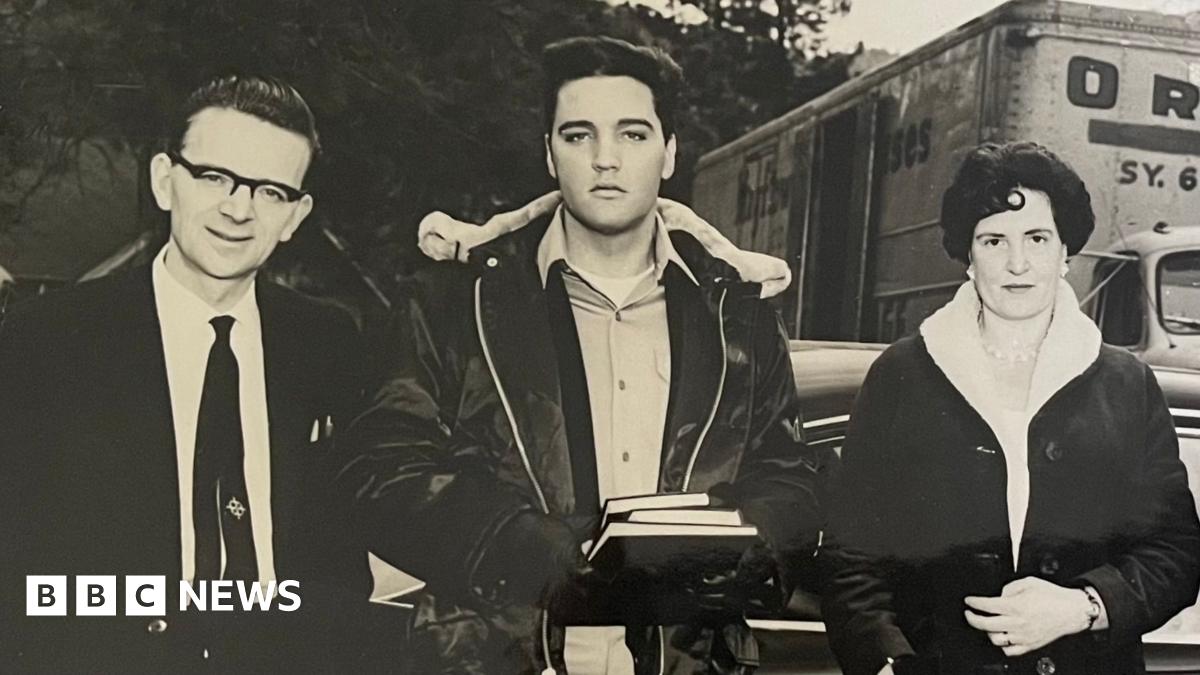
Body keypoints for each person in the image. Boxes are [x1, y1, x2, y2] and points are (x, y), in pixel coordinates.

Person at [339, 36, 823, 674]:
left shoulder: (739, 315)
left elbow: (790, 475)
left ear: (669, 153)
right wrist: (516, 544)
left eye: (632, 134)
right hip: (495, 659)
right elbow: (379, 469)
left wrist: (751, 547)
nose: (605, 159)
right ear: (549, 153)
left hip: (688, 661)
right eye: (578, 135)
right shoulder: (456, 303)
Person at [0, 74, 380, 672]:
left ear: (295, 216)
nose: (238, 209)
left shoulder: (327, 340)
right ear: (164, 180)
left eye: (270, 191)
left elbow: (340, 558)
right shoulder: (47, 340)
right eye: (213, 177)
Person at [821, 141, 1200, 675]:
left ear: (1064, 253)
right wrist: (885, 663)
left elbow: (1176, 551)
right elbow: (850, 556)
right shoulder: (903, 375)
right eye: (994, 240)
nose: (1017, 263)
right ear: (968, 256)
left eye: (1037, 238)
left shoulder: (1126, 384)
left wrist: (1084, 606)